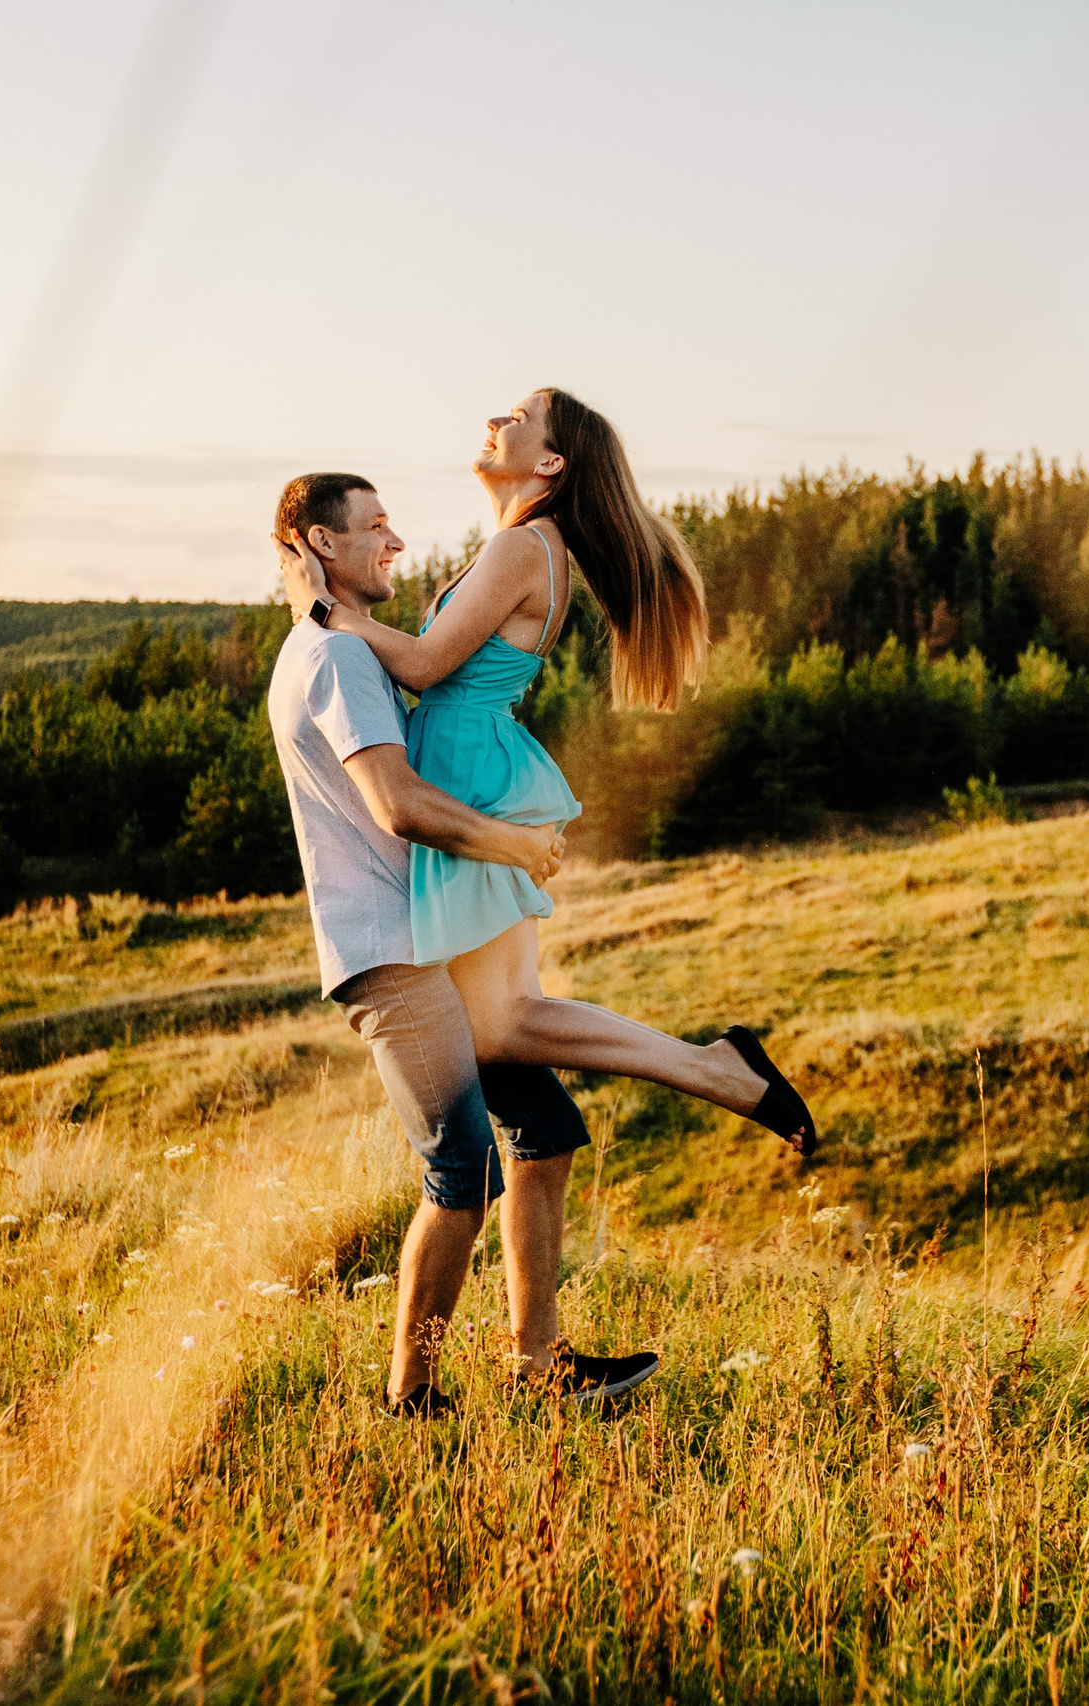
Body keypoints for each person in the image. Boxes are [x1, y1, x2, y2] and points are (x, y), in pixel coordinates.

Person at [276, 389, 816, 1152]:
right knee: (501, 1025)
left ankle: (718, 1070)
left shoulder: (524, 548)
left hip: (470, 771)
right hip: (479, 762)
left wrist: (322, 611)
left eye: (518, 421)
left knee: (505, 1023)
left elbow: (428, 666)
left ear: (552, 462)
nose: (495, 422)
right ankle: (706, 1075)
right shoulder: (529, 545)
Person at [264, 470, 656, 1416]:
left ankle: (539, 1362)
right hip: (389, 957)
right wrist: (515, 844)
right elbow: (396, 804)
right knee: (462, 1167)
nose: (396, 542)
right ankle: (414, 1396)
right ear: (321, 544)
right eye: (375, 528)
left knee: (548, 1130)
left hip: (430, 941)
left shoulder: (343, 647)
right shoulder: (339, 659)